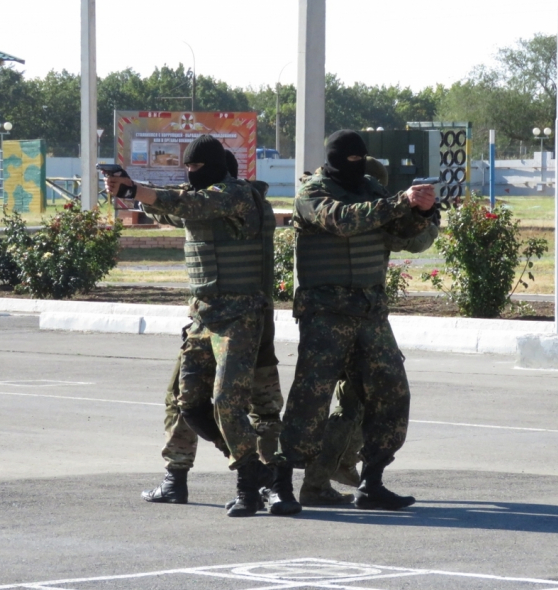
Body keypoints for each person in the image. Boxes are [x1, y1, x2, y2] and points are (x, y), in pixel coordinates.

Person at [105, 135, 292, 518]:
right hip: (205, 317)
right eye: (186, 169)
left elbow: (188, 202)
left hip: (241, 317)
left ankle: (251, 485)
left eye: (196, 168)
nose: (191, 175)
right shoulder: (200, 202)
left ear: (215, 168)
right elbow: (171, 208)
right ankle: (255, 470)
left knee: (232, 402)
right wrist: (130, 190)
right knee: (187, 402)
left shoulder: (235, 195)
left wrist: (138, 188)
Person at [273, 129, 436, 512]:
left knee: (392, 394)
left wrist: (424, 212)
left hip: (370, 313)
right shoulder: (312, 194)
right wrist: (399, 202)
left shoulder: (371, 189)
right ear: (333, 159)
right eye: (350, 159)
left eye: (362, 159)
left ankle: (372, 481)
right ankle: (280, 484)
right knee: (308, 402)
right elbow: (342, 220)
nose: (357, 166)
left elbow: (410, 239)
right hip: (326, 315)